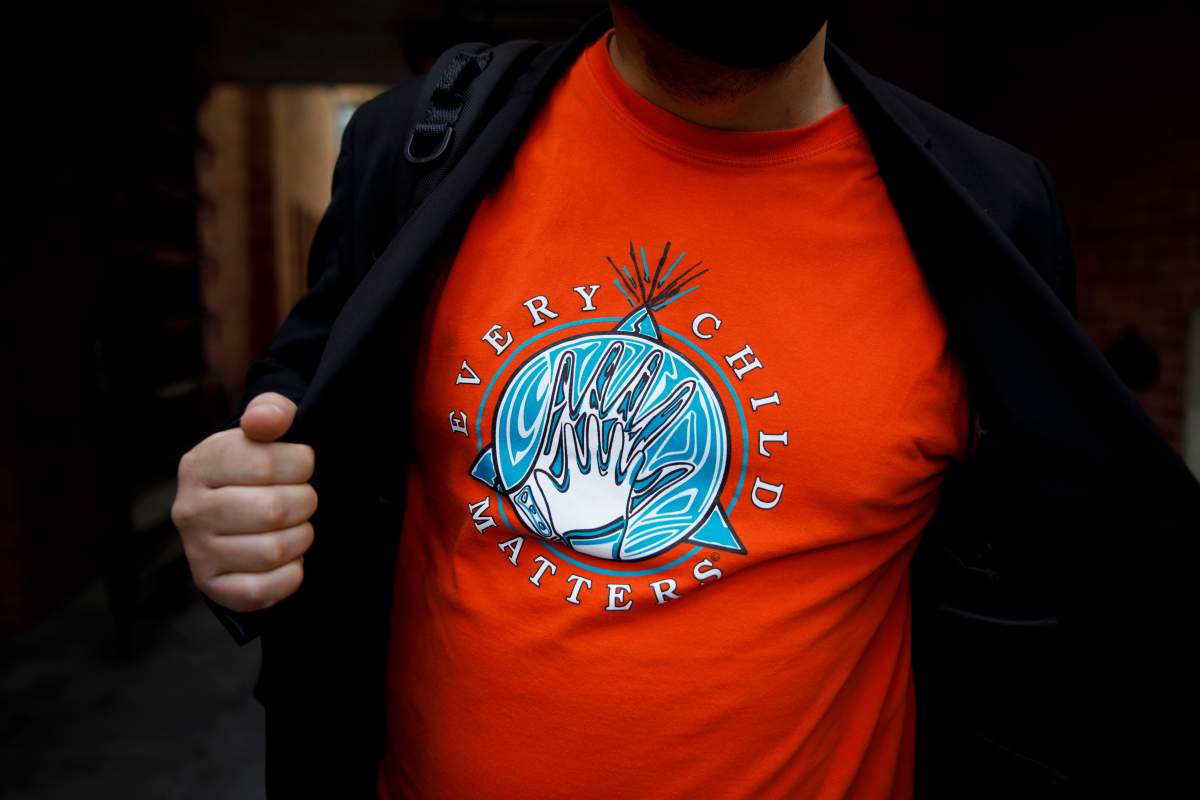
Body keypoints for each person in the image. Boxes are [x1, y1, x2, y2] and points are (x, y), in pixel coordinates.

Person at [170, 3, 1199, 798]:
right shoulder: (418, 150)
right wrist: (234, 512)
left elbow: (1051, 581)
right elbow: (300, 404)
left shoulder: (988, 213)